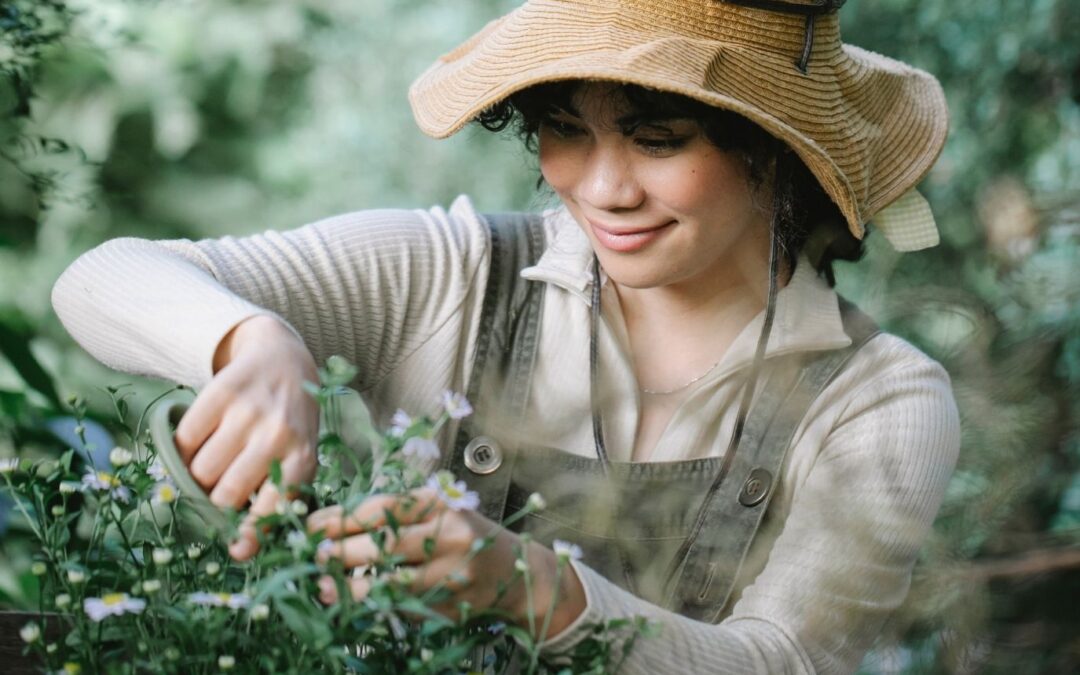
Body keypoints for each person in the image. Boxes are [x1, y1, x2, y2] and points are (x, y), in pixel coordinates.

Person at [52, 0, 960, 672]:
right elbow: (99, 279)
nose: (602, 188)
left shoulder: (878, 399)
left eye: (657, 139)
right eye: (566, 129)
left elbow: (787, 662)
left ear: (774, 143)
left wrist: (541, 592)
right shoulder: (452, 271)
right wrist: (252, 342)